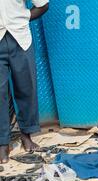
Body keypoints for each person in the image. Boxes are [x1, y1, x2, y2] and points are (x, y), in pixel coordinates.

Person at [0, 0, 49, 164]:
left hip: (21, 39)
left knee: (26, 88)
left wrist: (22, 18)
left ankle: (26, 136)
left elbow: (43, 5)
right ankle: (2, 144)